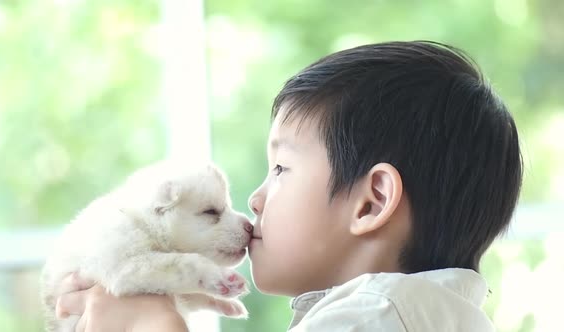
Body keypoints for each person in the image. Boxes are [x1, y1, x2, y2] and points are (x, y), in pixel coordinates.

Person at [55, 40, 523, 331]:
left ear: (372, 202)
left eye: (280, 169)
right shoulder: (424, 315)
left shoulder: (372, 316)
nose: (255, 199)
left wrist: (151, 327)